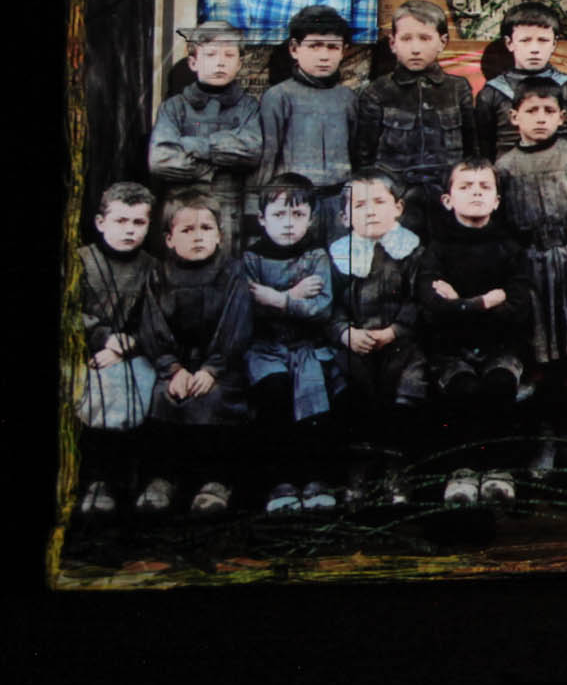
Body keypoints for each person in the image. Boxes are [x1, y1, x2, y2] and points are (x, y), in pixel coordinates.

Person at [494, 78, 567, 477]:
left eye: (549, 111)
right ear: (515, 117)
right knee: (538, 358)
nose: (541, 118)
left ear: (562, 117)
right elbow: (500, 227)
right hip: (529, 270)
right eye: (532, 111)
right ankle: (544, 441)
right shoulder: (505, 166)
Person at [419, 158, 533, 507]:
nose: (476, 193)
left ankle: (498, 469)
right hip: (451, 349)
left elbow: (517, 308)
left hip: (500, 346)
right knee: (463, 389)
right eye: (465, 187)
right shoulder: (437, 250)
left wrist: (459, 303)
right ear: (447, 199)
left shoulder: (510, 249)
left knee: (500, 383)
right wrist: (484, 302)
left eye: (485, 187)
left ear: (497, 201)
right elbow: (433, 307)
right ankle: (462, 470)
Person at [134, 189, 252, 515]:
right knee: (163, 397)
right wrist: (172, 368)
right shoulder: (159, 275)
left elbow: (235, 325)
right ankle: (163, 479)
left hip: (220, 366)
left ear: (220, 235)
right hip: (175, 365)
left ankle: (215, 481)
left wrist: (212, 369)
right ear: (169, 239)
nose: (198, 237)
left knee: (213, 399)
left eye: (206, 228)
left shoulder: (232, 274)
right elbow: (152, 325)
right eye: (187, 230)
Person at [240, 174, 342, 515]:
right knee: (274, 393)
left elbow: (321, 309)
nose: (288, 223)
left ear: (311, 219)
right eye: (279, 214)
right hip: (266, 348)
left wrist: (278, 299)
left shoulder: (316, 257)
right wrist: (293, 296)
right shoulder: (251, 259)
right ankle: (279, 482)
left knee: (315, 402)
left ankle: (315, 479)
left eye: (298, 215)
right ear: (262, 218)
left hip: (307, 347)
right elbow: (247, 308)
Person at [329, 169, 429, 507]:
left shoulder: (412, 252)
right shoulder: (340, 255)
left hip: (402, 346)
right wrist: (345, 332)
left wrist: (395, 330)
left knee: (406, 395)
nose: (370, 211)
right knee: (354, 397)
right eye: (359, 205)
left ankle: (397, 471)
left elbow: (419, 300)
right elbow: (330, 306)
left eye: (379, 202)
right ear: (345, 217)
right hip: (356, 346)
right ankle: (359, 471)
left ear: (398, 208)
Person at [352, 0, 478, 234]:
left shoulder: (457, 88)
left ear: (442, 42)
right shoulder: (377, 92)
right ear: (393, 43)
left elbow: (472, 151)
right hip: (398, 202)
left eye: (425, 38)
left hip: (447, 198)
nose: (415, 48)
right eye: (406, 39)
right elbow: (363, 157)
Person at [72, 183, 159, 517]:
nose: (129, 230)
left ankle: (123, 481)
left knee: (129, 384)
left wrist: (127, 344)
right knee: (95, 386)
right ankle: (96, 480)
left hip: (133, 352)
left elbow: (157, 319)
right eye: (121, 221)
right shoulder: (81, 262)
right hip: (85, 350)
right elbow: (68, 313)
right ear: (100, 222)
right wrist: (102, 337)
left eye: (138, 222)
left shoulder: (152, 268)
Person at [148, 21, 262, 249]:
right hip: (182, 208)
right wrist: (219, 163)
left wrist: (192, 146)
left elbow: (251, 151)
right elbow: (160, 160)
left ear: (239, 63)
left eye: (229, 55)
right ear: (193, 62)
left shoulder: (248, 107)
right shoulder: (174, 107)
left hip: (228, 213)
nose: (220, 62)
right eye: (210, 54)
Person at [254, 5, 358, 246]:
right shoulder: (279, 97)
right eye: (314, 46)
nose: (324, 56)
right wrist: (263, 204)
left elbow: (355, 152)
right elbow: (267, 158)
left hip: (338, 201)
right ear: (294, 49)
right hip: (294, 202)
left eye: (332, 47)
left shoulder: (348, 98)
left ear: (344, 51)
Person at [476, 1, 567, 156]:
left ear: (554, 44)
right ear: (509, 43)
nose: (534, 49)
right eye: (525, 40)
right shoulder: (492, 92)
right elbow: (484, 148)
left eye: (543, 40)